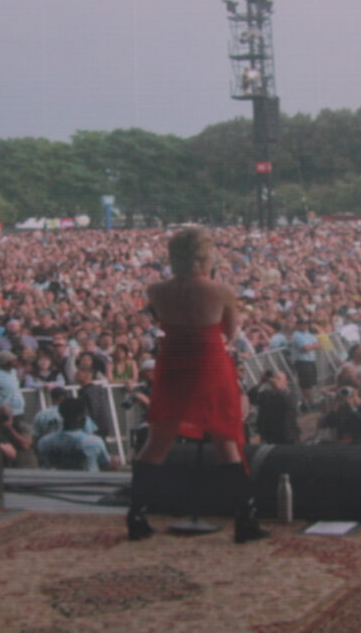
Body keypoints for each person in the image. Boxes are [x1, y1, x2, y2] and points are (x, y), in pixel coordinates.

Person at [128, 228, 267, 543]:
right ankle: (245, 519)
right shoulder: (221, 291)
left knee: (157, 442)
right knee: (226, 441)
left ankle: (136, 515)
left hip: (174, 363)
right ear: (206, 256)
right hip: (209, 364)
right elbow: (230, 334)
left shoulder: (156, 290)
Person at [37, 397, 118, 471]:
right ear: (79, 417)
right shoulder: (94, 442)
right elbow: (105, 464)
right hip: (87, 484)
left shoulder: (44, 442)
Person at [249, 369, 301, 444]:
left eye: (278, 378)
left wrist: (278, 388)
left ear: (285, 382)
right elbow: (251, 398)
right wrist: (261, 382)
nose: (275, 380)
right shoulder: (266, 395)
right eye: (274, 377)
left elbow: (289, 404)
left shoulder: (290, 395)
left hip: (287, 436)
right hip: (270, 436)